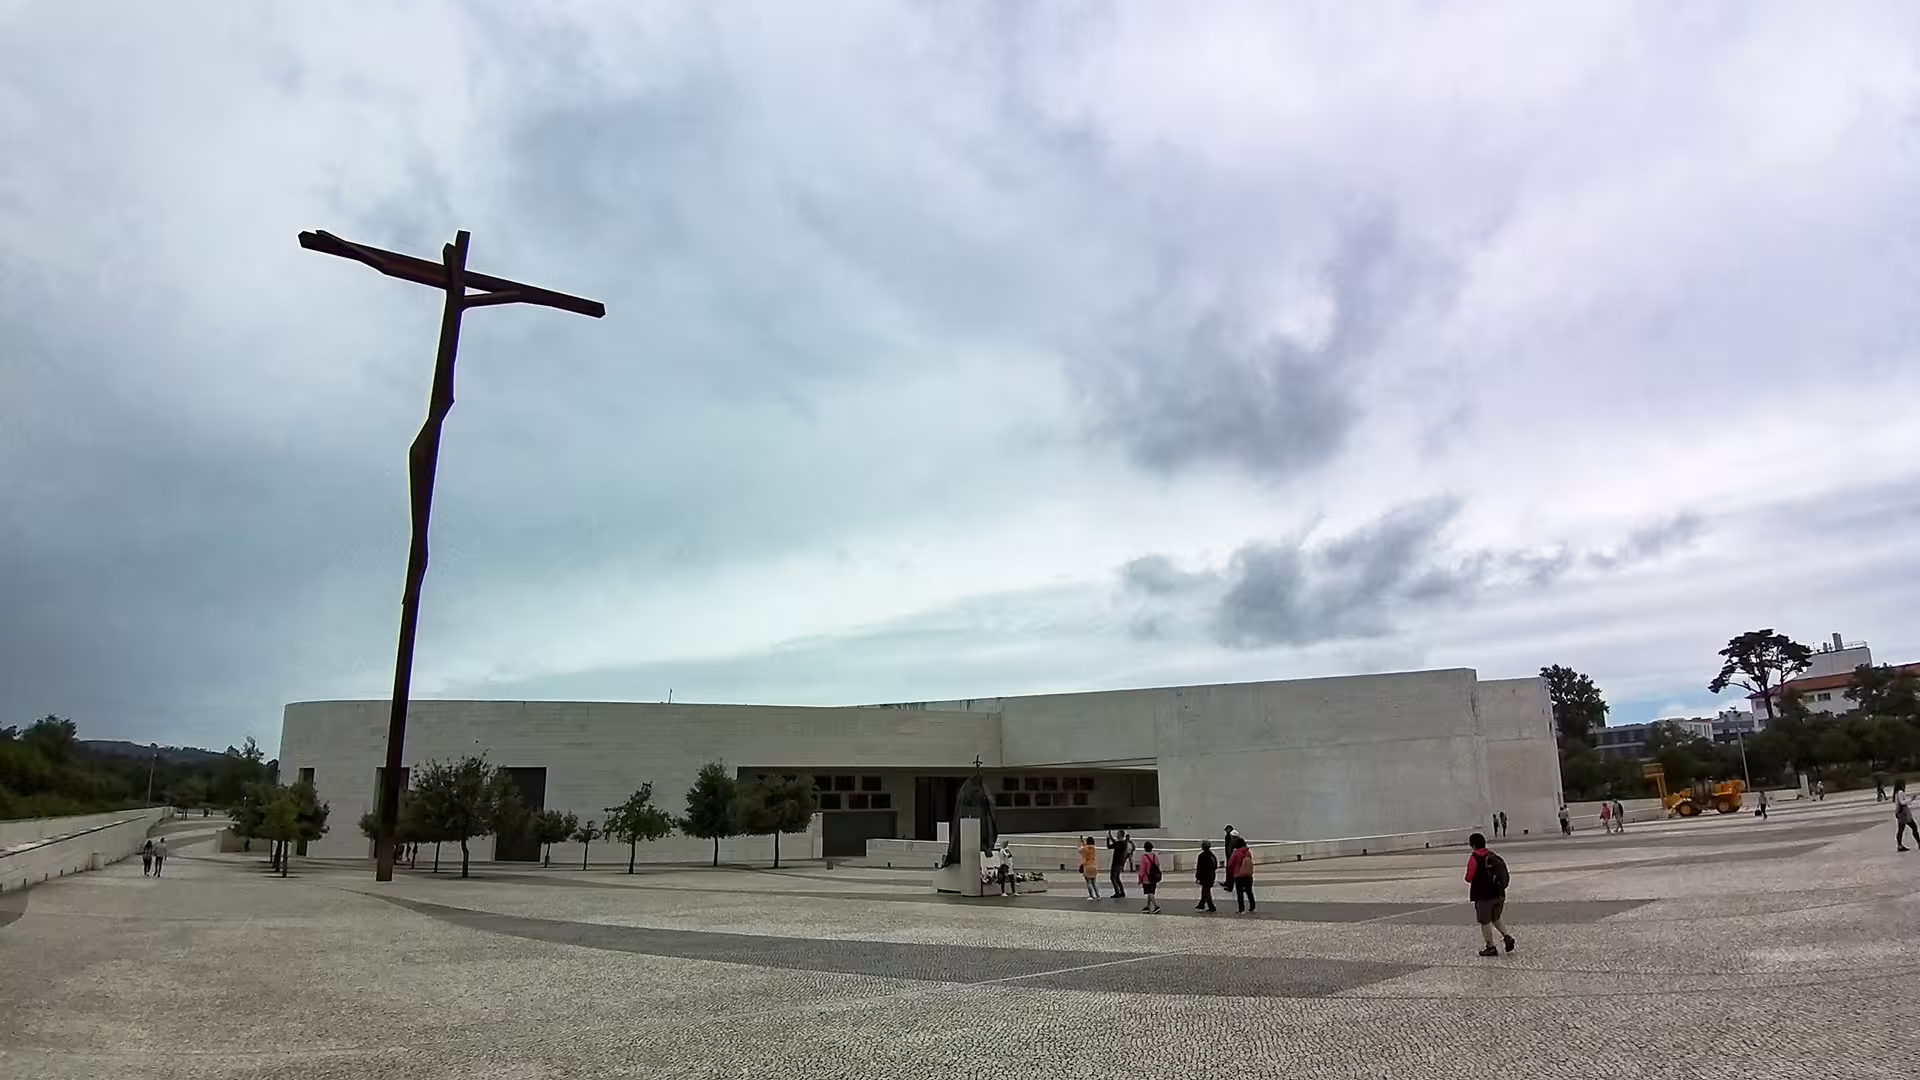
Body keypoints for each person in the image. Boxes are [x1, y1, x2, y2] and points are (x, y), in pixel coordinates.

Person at [1466, 832, 1514, 957]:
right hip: (1499, 894)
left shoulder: (1475, 857)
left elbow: (1469, 877)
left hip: (1484, 895)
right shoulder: (1492, 855)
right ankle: (1507, 936)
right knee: (1496, 917)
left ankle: (1490, 947)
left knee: (1485, 921)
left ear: (1473, 845)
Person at [1227, 837, 1256, 914]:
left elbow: (1230, 864)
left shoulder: (1236, 853)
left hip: (1238, 875)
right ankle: (1252, 908)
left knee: (1239, 892)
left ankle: (1242, 909)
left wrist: (1231, 872)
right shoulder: (1248, 852)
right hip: (1248, 874)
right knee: (1249, 891)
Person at [1137, 841, 1163, 914]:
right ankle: (1147, 906)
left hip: (1146, 878)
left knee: (1149, 892)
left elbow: (1142, 870)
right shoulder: (1155, 856)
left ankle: (1156, 906)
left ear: (1145, 849)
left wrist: (1140, 879)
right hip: (1154, 877)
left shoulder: (1144, 857)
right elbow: (1158, 865)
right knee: (1151, 892)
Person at [1194, 839, 1219, 912]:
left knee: (1206, 891)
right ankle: (1201, 904)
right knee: (1205, 890)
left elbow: (1199, 867)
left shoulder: (1202, 856)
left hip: (1205, 876)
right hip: (1211, 875)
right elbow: (1215, 866)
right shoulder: (1212, 855)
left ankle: (1211, 907)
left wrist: (1197, 877)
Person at [1106, 829, 1130, 899]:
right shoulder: (1124, 843)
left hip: (1115, 863)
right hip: (1120, 863)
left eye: (1117, 834)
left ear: (1119, 835)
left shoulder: (1118, 844)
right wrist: (1110, 836)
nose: (1117, 835)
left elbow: (1109, 846)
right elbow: (1115, 842)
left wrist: (1107, 838)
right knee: (1117, 878)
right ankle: (1122, 892)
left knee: (1113, 878)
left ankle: (1117, 892)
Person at [1896, 780, 1919, 852]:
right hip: (1904, 813)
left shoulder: (1896, 793)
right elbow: (1902, 802)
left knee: (1901, 829)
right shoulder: (1900, 792)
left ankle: (1899, 845)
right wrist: (1911, 799)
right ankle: (1919, 843)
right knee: (1914, 827)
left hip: (1900, 812)